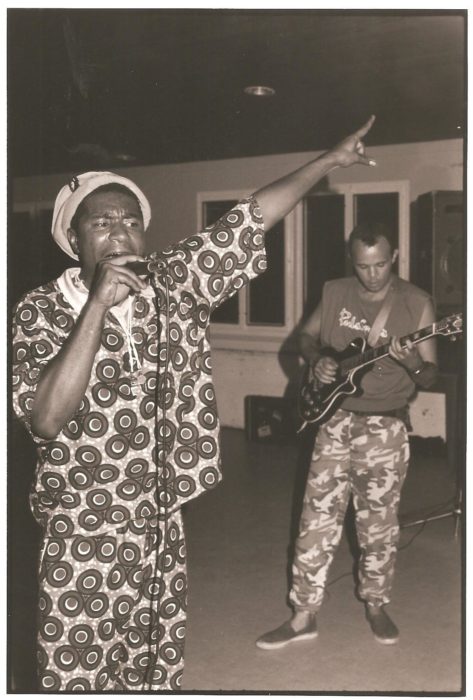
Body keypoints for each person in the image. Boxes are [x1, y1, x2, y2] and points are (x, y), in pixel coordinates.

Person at [12, 116, 376, 692]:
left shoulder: (173, 283)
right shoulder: (40, 310)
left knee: (155, 666)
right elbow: (46, 417)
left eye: (131, 221)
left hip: (160, 518)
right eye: (101, 222)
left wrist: (329, 161)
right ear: (73, 239)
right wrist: (97, 308)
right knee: (76, 667)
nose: (120, 232)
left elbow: (250, 219)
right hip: (81, 524)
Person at [255, 220, 438, 651]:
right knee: (315, 520)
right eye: (363, 266)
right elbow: (305, 337)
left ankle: (376, 604)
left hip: (385, 427)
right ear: (351, 261)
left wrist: (411, 362)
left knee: (378, 526)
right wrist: (317, 359)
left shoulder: (416, 303)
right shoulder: (335, 291)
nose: (372, 275)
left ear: (394, 257)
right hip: (333, 421)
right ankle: (303, 614)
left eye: (380, 265)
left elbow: (430, 375)